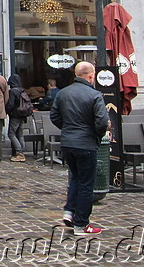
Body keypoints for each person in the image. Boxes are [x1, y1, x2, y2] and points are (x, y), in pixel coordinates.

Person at [51, 61, 109, 236]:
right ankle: (81, 224)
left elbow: (54, 116)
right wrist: (96, 134)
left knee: (76, 178)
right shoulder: (94, 95)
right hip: (86, 143)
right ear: (91, 76)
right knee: (86, 184)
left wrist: (68, 128)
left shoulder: (63, 93)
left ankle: (69, 212)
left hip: (68, 142)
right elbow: (101, 122)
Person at [6, 74, 27, 163]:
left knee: (11, 134)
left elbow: (10, 104)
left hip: (15, 115)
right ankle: (22, 152)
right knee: (20, 134)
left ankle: (19, 152)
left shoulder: (13, 91)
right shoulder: (22, 90)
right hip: (22, 115)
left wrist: (6, 111)